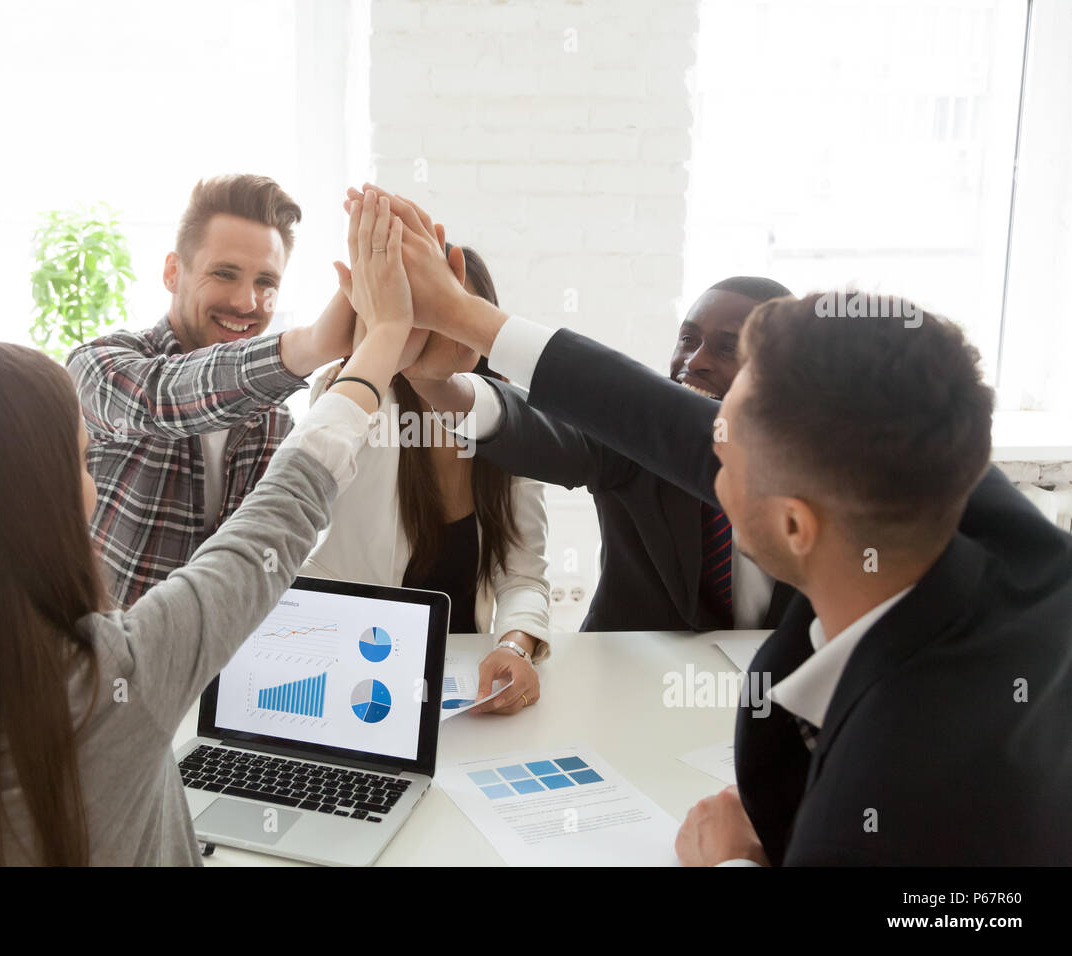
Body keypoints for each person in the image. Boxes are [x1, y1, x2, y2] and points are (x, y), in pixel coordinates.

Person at [360, 184, 1072, 865]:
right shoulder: (989, 515)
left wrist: (733, 860)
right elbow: (654, 418)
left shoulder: (873, 803)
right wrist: (466, 321)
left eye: (723, 451)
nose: (699, 441)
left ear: (795, 524)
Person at [0, 191, 415, 865]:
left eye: (265, 283)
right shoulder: (118, 677)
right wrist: (372, 342)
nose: (247, 299)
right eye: (80, 460)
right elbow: (269, 524)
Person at [406, 275, 797, 631]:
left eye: (728, 348)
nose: (695, 362)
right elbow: (541, 429)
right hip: (622, 683)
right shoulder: (639, 429)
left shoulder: (817, 467)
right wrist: (442, 387)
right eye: (688, 339)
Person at [68, 173, 360, 607]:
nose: (246, 303)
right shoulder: (99, 365)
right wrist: (310, 344)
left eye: (266, 283)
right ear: (173, 271)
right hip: (102, 661)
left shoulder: (276, 420)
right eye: (225, 274)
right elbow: (162, 398)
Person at [306, 245, 551, 715]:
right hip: (344, 668)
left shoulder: (509, 423)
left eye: (456, 315)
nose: (441, 334)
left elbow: (523, 576)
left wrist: (516, 646)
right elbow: (327, 427)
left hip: (456, 684)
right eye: (423, 314)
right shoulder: (360, 400)